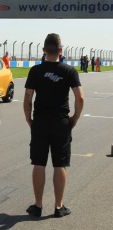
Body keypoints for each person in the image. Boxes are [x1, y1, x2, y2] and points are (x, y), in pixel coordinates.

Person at [23, 33, 84, 218]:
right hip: (61, 122)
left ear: (43, 50)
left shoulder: (35, 71)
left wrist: (29, 119)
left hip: (40, 122)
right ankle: (59, 207)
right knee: (60, 164)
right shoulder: (69, 71)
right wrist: (74, 118)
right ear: (60, 50)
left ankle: (38, 205)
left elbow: (27, 98)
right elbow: (80, 97)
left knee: (38, 163)